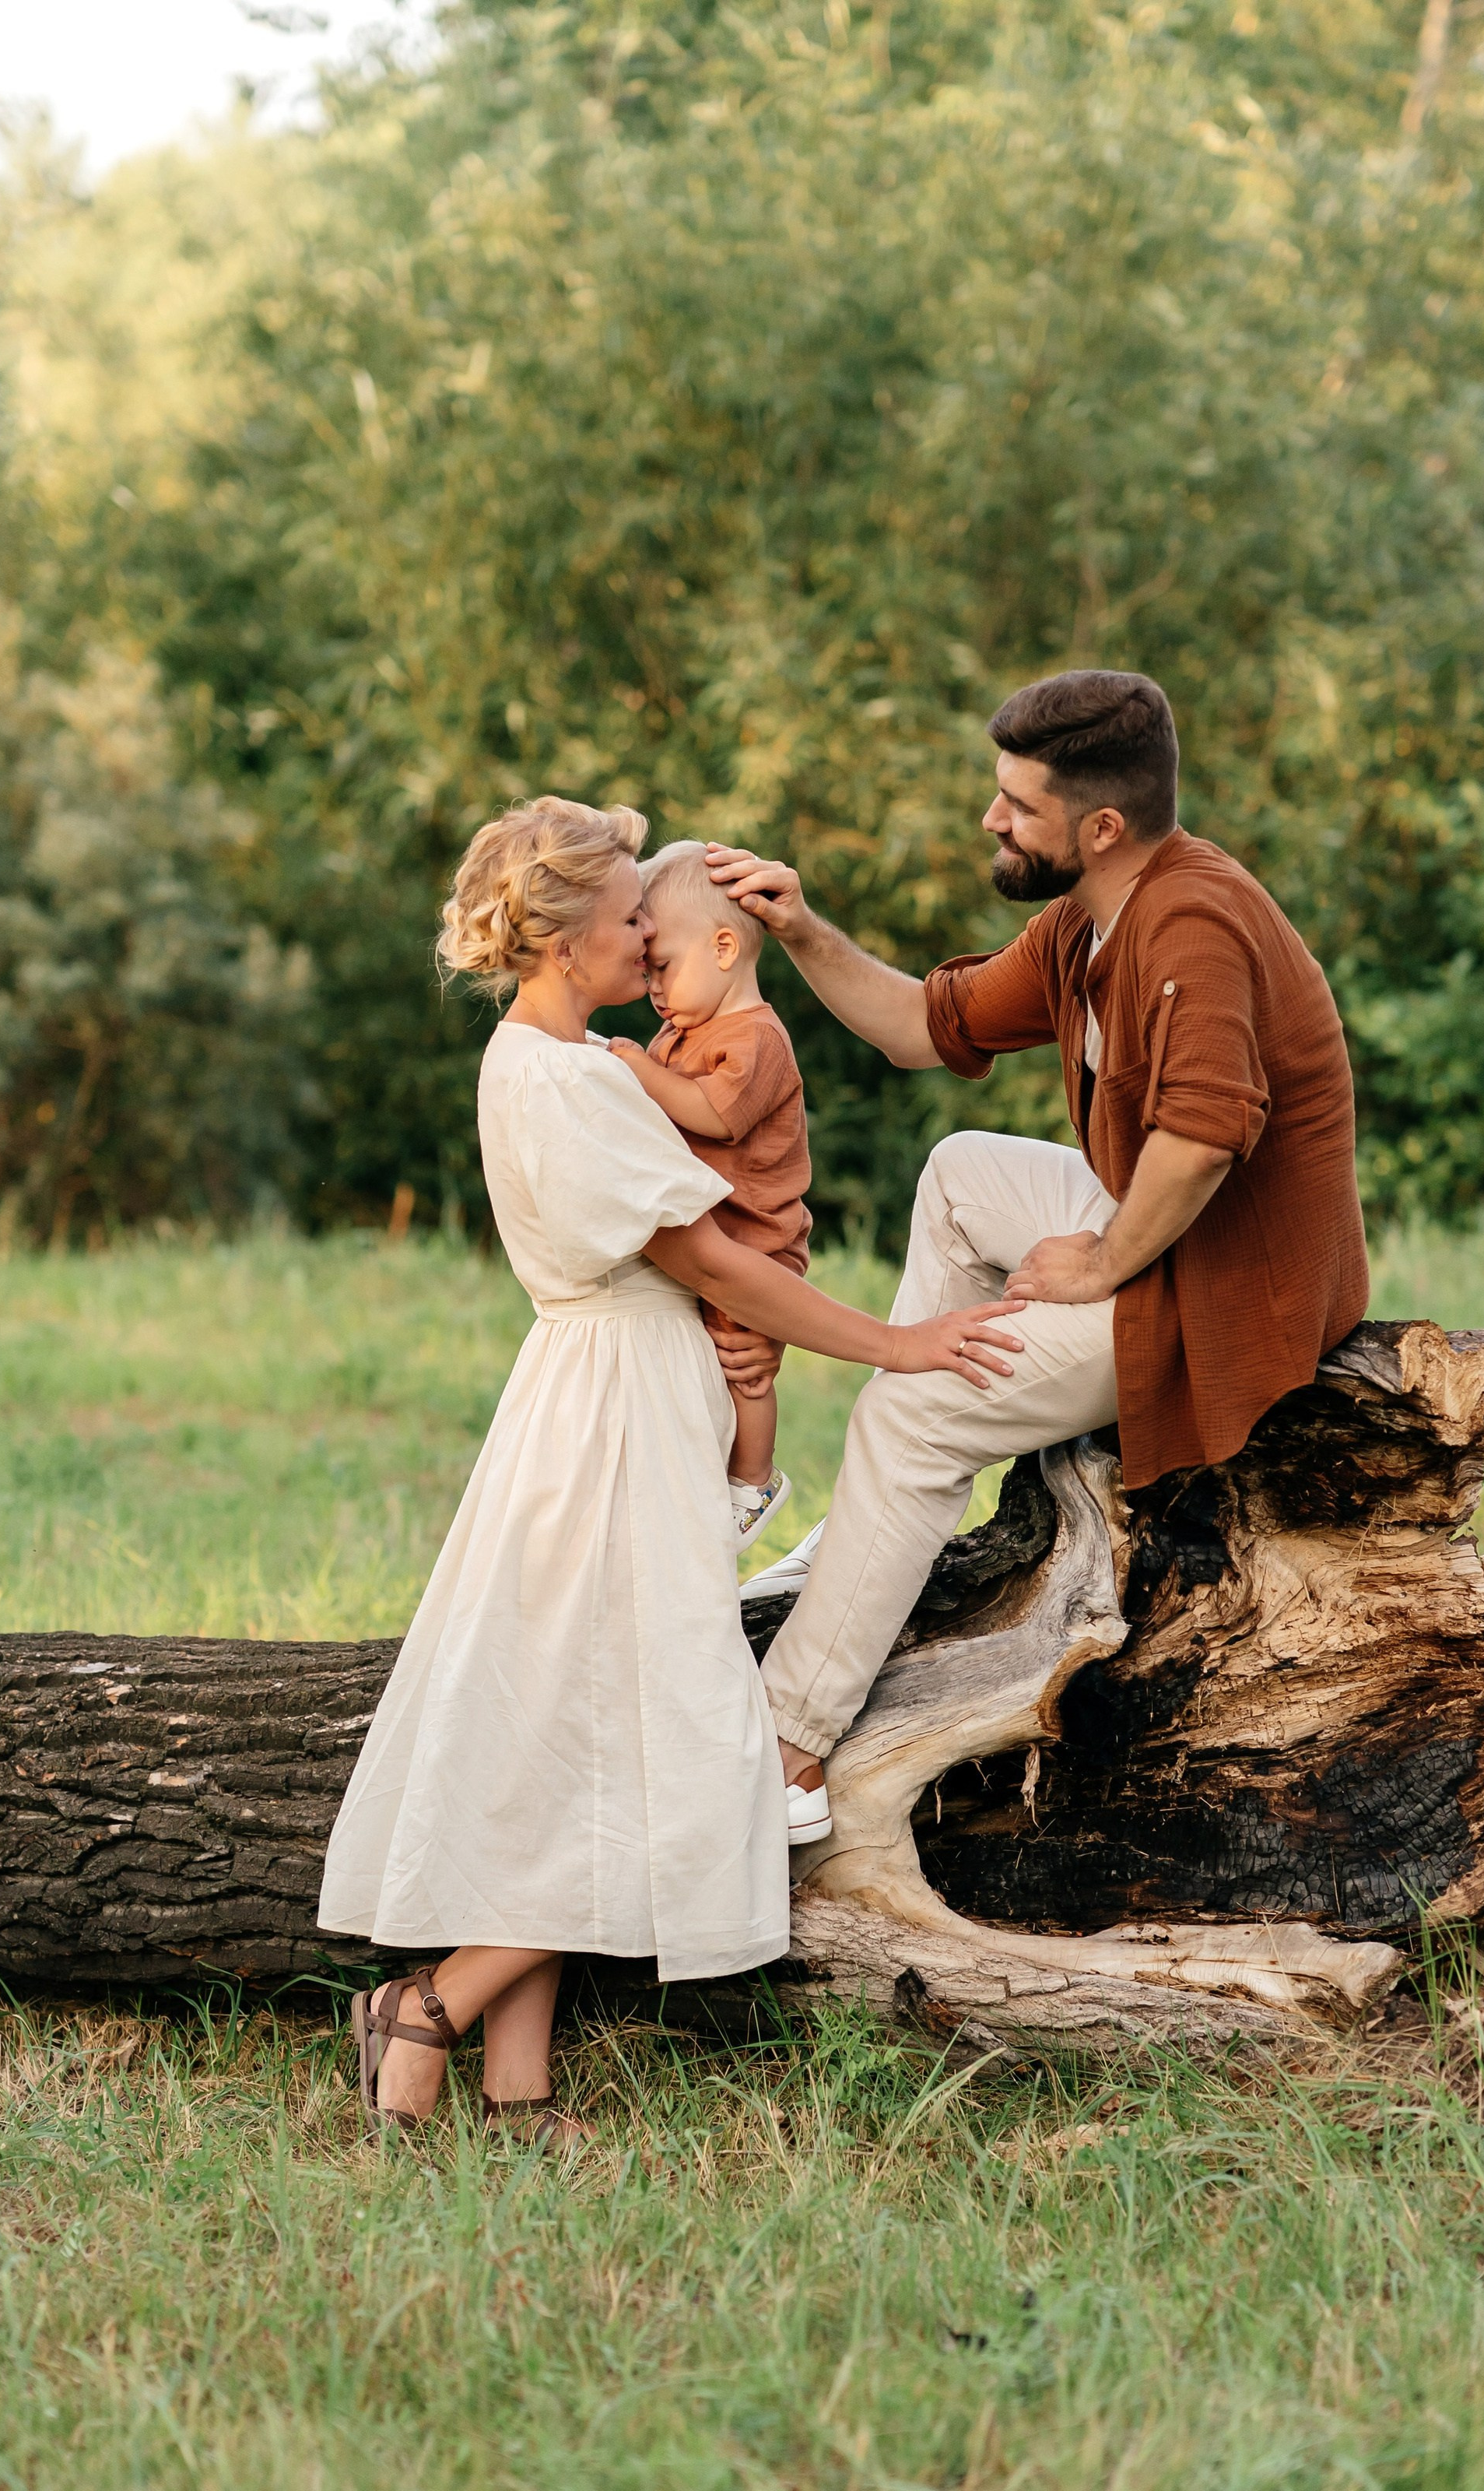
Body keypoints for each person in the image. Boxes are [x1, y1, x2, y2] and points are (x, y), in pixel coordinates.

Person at [317, 796, 1025, 2142]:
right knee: (650, 1738)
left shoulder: (553, 1065)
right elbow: (707, 1259)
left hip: (609, 1393)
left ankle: (520, 2088)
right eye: (634, 918)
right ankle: (427, 2010)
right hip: (613, 1411)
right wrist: (900, 1343)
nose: (652, 939)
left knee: (565, 1730)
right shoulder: (571, 1078)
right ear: (573, 934)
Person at [710, 669, 1370, 1823]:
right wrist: (800, 930)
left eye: (1016, 803)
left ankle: (789, 1752)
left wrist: (1106, 1259)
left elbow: (1211, 1134)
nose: (991, 819)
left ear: (1100, 826)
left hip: (1225, 1296)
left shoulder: (1193, 926)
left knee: (915, 1412)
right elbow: (926, 1024)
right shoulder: (1089, 920)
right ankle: (873, 1530)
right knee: (962, 1172)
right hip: (1169, 1235)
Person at [607, 839, 811, 1548]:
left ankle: (753, 1482)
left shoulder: (756, 1040)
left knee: (745, 1363)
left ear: (725, 946)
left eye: (662, 966)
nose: (654, 989)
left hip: (755, 1241)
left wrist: (634, 1068)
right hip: (708, 1238)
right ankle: (706, 1476)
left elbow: (713, 1114)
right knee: (705, 1365)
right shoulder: (677, 1033)